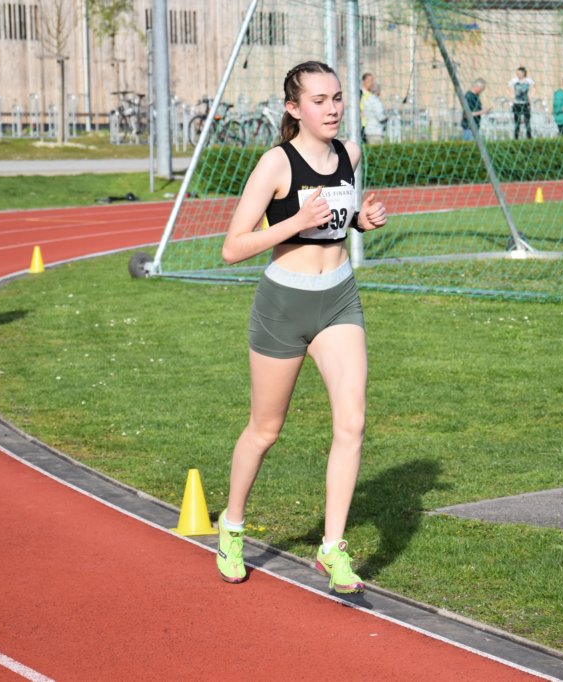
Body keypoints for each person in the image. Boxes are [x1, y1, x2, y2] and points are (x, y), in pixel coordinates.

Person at [217, 61, 388, 594]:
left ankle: (332, 547)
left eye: (337, 97)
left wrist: (359, 221)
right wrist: (293, 222)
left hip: (339, 299)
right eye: (319, 100)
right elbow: (231, 248)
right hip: (283, 306)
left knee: (352, 423)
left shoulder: (350, 154)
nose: (332, 108)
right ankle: (232, 526)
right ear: (294, 108)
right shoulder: (276, 164)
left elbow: (335, 221)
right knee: (265, 430)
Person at [509, 66, 534, 139]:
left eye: (519, 73)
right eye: (517, 73)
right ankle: (516, 137)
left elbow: (534, 88)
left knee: (527, 121)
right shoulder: (514, 81)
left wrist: (530, 96)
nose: (518, 75)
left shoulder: (528, 81)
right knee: (517, 121)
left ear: (523, 73)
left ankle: (529, 137)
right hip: (517, 103)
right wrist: (512, 96)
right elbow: (508, 88)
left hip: (525, 103)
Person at [359, 72, 375, 143]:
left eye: (372, 80)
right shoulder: (359, 93)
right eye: (369, 80)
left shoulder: (372, 95)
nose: (371, 83)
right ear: (363, 81)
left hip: (372, 126)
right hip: (363, 125)